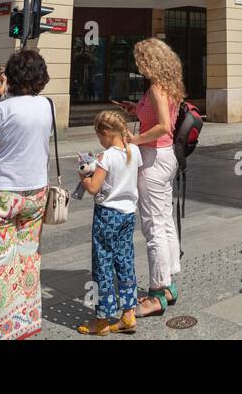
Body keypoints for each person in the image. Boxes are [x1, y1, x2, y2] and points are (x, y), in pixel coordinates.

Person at [0, 48, 55, 340]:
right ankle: (25, 324)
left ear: (11, 76)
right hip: (36, 192)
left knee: (0, 265)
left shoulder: (2, 109)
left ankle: (2, 330)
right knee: (27, 259)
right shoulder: (48, 106)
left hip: (2, 195)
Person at [120, 38, 184, 317]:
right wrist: (135, 109)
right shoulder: (168, 86)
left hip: (154, 158)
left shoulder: (157, 88)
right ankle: (169, 281)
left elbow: (164, 127)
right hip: (165, 157)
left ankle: (157, 293)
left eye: (140, 60)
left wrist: (135, 138)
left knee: (153, 226)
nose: (138, 65)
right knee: (165, 220)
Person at [76, 110, 142, 336]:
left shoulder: (107, 157)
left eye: (99, 137)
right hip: (128, 214)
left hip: (107, 215)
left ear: (105, 133)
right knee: (125, 260)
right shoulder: (134, 150)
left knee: (102, 264)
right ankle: (128, 314)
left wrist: (83, 177)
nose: (100, 142)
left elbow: (94, 187)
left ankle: (102, 320)